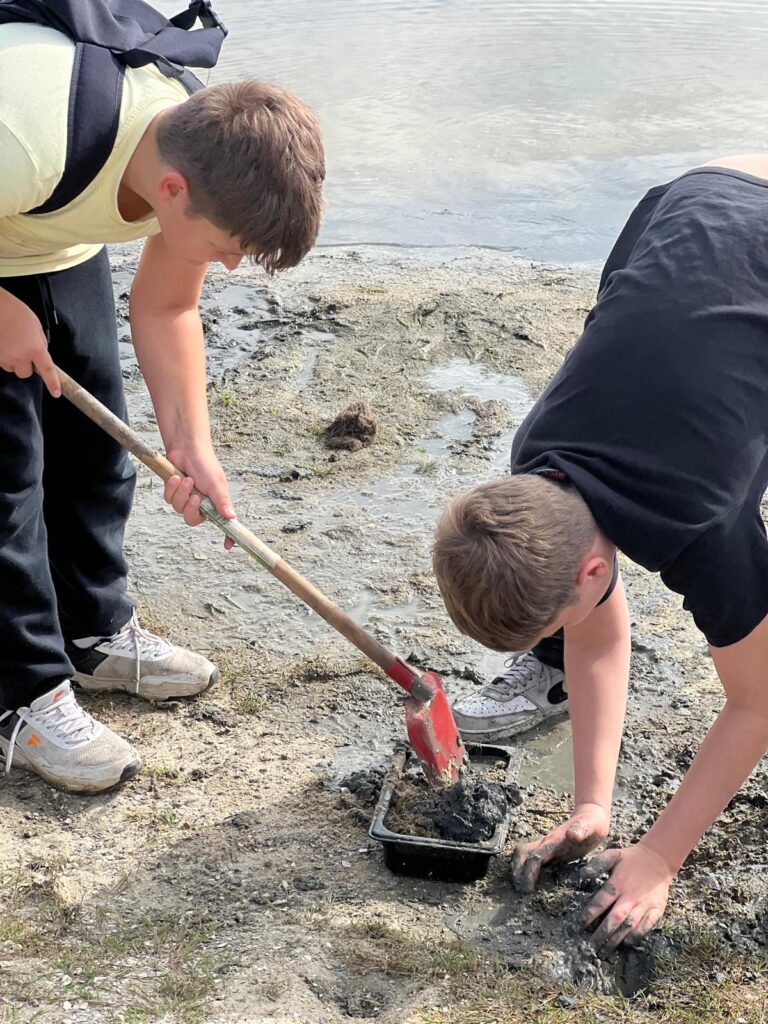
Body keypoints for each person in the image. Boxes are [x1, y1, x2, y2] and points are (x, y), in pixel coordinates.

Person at [432, 155, 768, 954]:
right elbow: (594, 630)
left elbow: (757, 704)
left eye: (562, 619)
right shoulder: (536, 455)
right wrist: (593, 806)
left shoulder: (699, 520)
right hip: (691, 199)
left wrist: (658, 858)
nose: (575, 627)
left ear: (590, 572)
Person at [0, 20, 325, 794]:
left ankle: (93, 629)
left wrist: (193, 447)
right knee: (7, 483)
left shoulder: (188, 145)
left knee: (94, 451)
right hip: (20, 197)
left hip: (45, 232)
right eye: (228, 247)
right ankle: (22, 696)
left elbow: (167, 306)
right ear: (170, 191)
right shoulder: (24, 129)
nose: (230, 263)